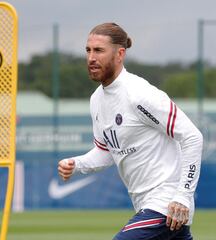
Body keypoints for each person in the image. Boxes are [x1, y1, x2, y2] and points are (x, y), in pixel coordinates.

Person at [58, 22, 203, 240]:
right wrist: (76, 164)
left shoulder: (139, 93)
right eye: (88, 50)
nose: (91, 58)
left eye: (99, 50)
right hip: (150, 208)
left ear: (120, 54)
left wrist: (183, 196)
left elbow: (192, 137)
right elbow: (107, 152)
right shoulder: (97, 100)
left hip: (166, 206)